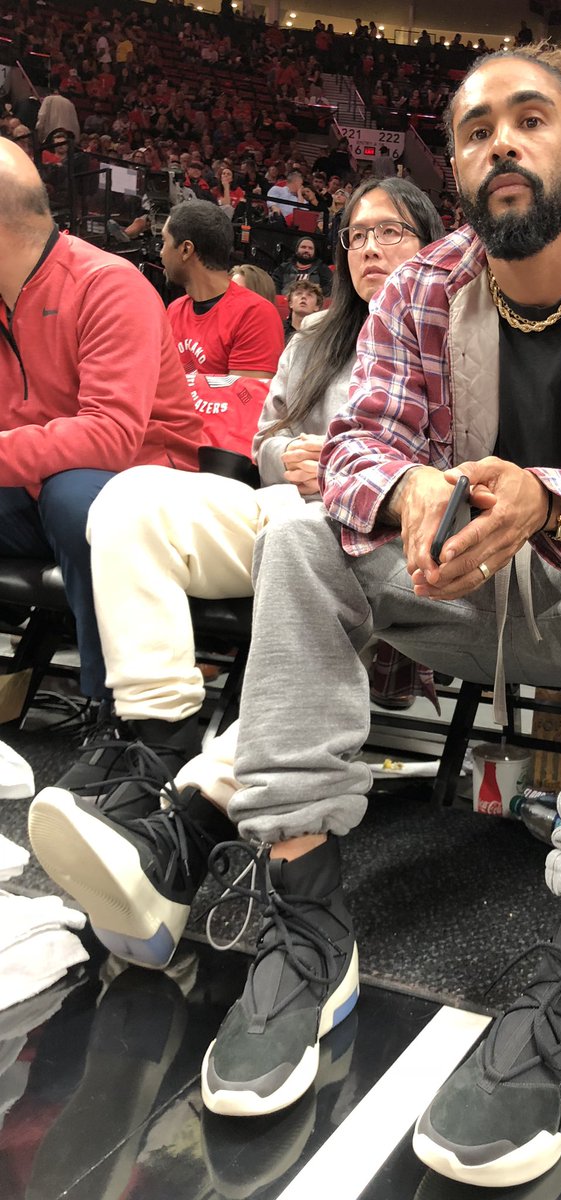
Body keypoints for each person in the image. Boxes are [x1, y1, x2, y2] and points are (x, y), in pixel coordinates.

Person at [33, 45, 561, 1180]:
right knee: (298, 532)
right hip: (448, 593)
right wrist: (407, 484)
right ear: (459, 167)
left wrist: (556, 503)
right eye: (477, 131)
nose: (502, 145)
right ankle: (306, 921)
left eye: (530, 121)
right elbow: (359, 441)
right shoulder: (425, 288)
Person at [28, 173, 444, 949]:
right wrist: (291, 459)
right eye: (356, 235)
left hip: (377, 532)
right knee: (131, 499)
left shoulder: (456, 336)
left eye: (391, 232)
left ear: (431, 242)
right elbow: (262, 444)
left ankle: (188, 822)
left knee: (308, 549)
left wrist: (363, 474)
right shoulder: (318, 335)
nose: (371, 248)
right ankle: (155, 744)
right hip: (288, 503)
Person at [0, 139, 201, 705]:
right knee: (63, 492)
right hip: (45, 485)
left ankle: (114, 712)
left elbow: (110, 439)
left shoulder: (107, 284)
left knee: (75, 497)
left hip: (145, 485)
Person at [162, 200, 284, 378]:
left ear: (186, 249)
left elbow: (245, 400)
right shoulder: (174, 310)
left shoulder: (255, 313)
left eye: (165, 241)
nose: (161, 252)